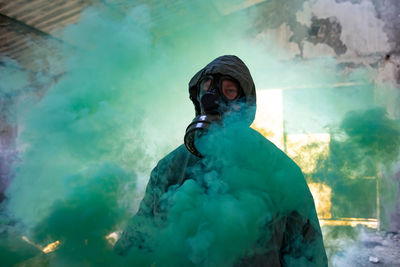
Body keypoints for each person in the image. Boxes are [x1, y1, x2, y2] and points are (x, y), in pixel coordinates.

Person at [115, 55, 328, 266]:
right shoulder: (171, 167)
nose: (212, 99)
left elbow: (307, 253)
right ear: (197, 98)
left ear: (246, 103)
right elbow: (138, 240)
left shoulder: (279, 171)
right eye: (207, 89)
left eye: (229, 91)